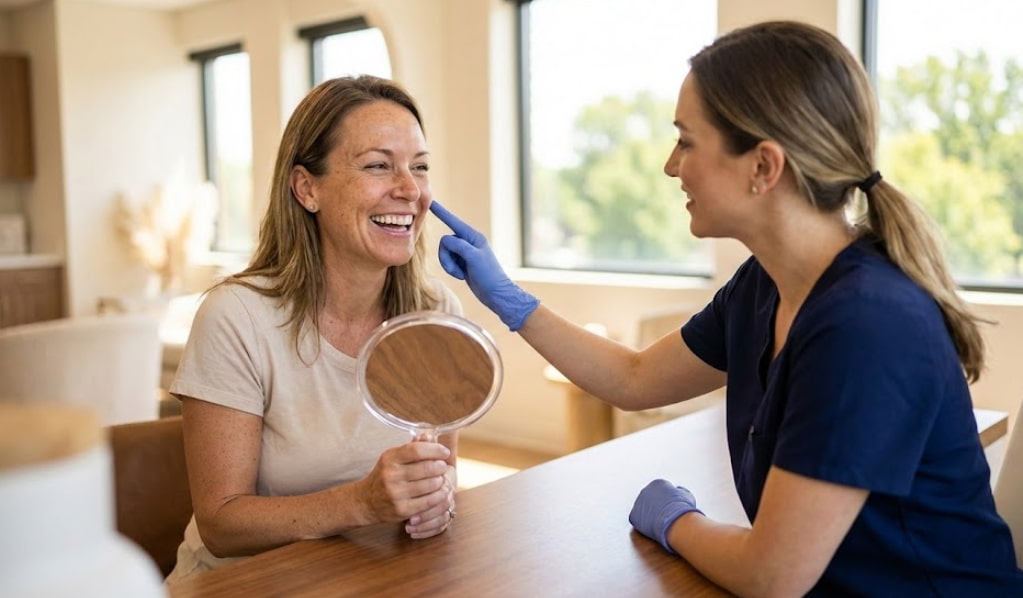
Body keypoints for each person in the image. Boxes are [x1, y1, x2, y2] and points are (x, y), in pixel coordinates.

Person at [429, 20, 1023, 597]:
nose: (670, 165)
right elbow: (633, 378)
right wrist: (509, 298)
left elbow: (773, 577)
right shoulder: (762, 285)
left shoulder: (867, 323)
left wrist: (678, 521)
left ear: (763, 166)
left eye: (686, 140)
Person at [165, 75, 460, 581]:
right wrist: (361, 503)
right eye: (377, 166)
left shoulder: (436, 311)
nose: (410, 190)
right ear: (307, 188)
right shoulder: (237, 317)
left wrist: (435, 499)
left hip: (369, 577)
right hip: (240, 585)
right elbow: (220, 523)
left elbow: (441, 472)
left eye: (420, 167)